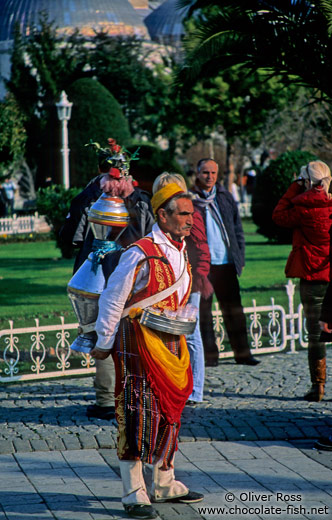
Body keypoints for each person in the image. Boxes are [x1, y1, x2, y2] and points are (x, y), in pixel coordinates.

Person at [91, 183, 204, 519]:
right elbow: (113, 298)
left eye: (191, 215)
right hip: (136, 343)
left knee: (172, 409)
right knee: (138, 412)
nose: (190, 221)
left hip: (170, 342)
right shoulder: (139, 252)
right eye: (183, 214)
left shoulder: (181, 249)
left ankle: (165, 482)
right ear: (162, 215)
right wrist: (103, 341)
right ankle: (134, 491)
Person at [59, 138, 154, 420]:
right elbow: (149, 238)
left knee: (101, 331)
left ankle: (105, 400)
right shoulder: (142, 200)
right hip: (135, 273)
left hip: (97, 274)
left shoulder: (88, 198)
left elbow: (71, 238)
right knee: (134, 333)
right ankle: (137, 395)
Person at [190, 158, 260, 366]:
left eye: (213, 173)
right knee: (204, 313)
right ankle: (209, 358)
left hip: (226, 263)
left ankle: (243, 353)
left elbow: (237, 229)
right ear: (197, 173)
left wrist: (240, 257)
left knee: (234, 311)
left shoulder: (225, 197)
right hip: (203, 265)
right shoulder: (190, 199)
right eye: (205, 172)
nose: (209, 176)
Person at [272, 160, 332, 402]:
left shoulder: (301, 208)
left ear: (307, 181)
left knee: (316, 334)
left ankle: (318, 386)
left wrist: (295, 188)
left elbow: (278, 215)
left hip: (311, 276)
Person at [151, 172, 213, 404]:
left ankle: (195, 389)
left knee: (191, 334)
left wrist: (197, 278)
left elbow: (202, 248)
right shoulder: (165, 214)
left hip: (189, 281)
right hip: (169, 281)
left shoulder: (189, 212)